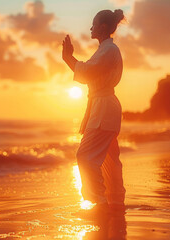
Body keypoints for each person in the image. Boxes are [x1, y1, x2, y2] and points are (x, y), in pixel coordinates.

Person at [62, 9, 126, 218]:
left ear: (104, 27)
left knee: (86, 156)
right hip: (102, 107)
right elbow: (91, 76)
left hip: (104, 109)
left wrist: (68, 58)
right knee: (108, 160)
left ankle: (100, 203)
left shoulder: (109, 50)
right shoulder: (105, 50)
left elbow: (88, 73)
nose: (90, 27)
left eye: (94, 24)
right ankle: (114, 202)